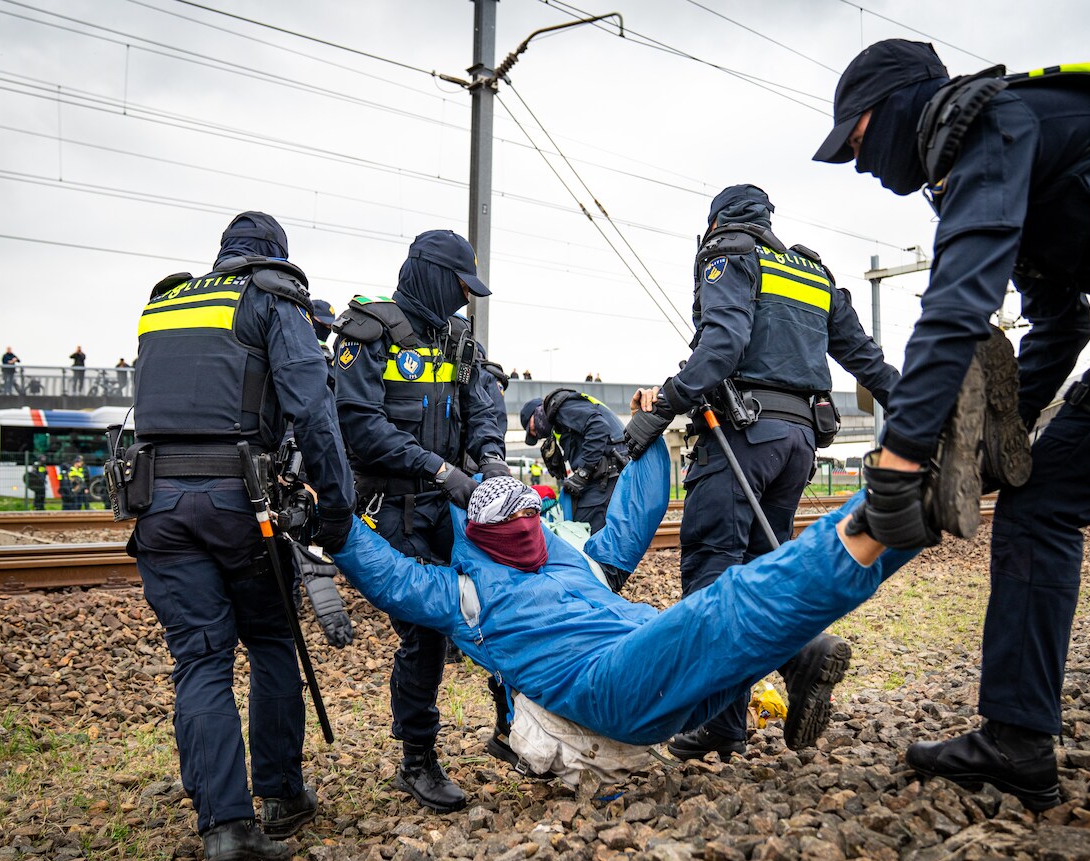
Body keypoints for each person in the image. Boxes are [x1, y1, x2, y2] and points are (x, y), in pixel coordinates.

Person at [813, 39, 1090, 811]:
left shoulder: (992, 124)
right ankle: (1014, 742)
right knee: (1038, 504)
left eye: (856, 135)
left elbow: (956, 305)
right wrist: (997, 438)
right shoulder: (985, 157)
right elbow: (1059, 324)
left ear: (901, 104)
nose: (855, 160)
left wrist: (901, 457)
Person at [330, 450, 916, 782]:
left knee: (731, 644)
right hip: (603, 684)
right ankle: (891, 502)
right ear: (485, 536)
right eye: (517, 523)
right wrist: (336, 523)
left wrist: (649, 442)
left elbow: (638, 514)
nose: (530, 529)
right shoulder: (465, 594)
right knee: (722, 610)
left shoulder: (571, 556)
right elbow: (390, 578)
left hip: (644, 659)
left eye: (533, 516)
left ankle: (915, 508)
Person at [621, 184, 901, 764]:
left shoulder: (732, 254)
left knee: (714, 578)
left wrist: (666, 404)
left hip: (741, 437)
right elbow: (865, 359)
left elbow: (723, 344)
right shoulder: (810, 272)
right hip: (798, 443)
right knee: (757, 574)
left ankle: (760, 692)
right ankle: (740, 713)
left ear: (719, 220)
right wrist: (922, 408)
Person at [129, 211, 355, 861]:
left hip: (156, 504)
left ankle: (226, 832)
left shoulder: (164, 303)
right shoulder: (272, 299)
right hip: (238, 503)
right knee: (269, 639)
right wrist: (335, 507)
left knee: (198, 658)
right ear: (274, 259)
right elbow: (312, 407)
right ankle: (281, 796)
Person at [331, 229, 507, 814]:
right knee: (427, 631)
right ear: (432, 275)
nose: (463, 300)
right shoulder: (369, 331)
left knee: (504, 605)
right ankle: (418, 758)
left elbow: (484, 407)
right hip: (395, 508)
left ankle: (512, 729)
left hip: (456, 506)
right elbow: (358, 424)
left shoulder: (459, 339)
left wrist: (492, 459)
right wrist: (435, 468)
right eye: (458, 287)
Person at [520, 390, 629, 535]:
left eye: (532, 428)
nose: (536, 434)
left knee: (586, 529)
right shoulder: (561, 419)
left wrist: (583, 473)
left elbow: (598, 427)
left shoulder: (560, 405)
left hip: (606, 474)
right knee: (583, 525)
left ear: (536, 411)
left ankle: (596, 558)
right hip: (601, 475)